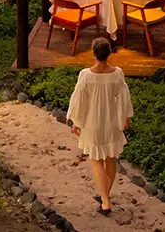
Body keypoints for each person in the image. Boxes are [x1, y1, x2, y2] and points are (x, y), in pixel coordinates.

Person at [66, 38, 134, 216]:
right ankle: (106, 195)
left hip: (93, 122)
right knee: (110, 159)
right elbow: (124, 98)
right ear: (109, 53)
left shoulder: (86, 75)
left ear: (92, 52)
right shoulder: (117, 73)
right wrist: (125, 118)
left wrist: (76, 122)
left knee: (95, 160)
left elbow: (78, 101)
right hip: (111, 121)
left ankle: (105, 201)